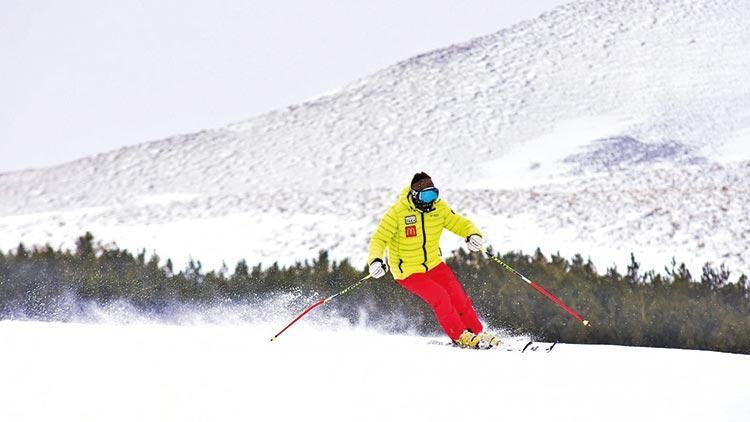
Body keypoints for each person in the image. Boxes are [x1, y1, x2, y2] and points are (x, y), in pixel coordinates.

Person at [367, 172, 500, 349]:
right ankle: (460, 336)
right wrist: (375, 260)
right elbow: (379, 239)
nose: (431, 200)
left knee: (457, 295)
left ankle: (476, 332)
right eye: (426, 196)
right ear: (415, 196)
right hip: (407, 270)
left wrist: (473, 234)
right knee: (440, 297)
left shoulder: (438, 208)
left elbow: (459, 223)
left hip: (433, 264)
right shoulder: (397, 213)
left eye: (434, 194)